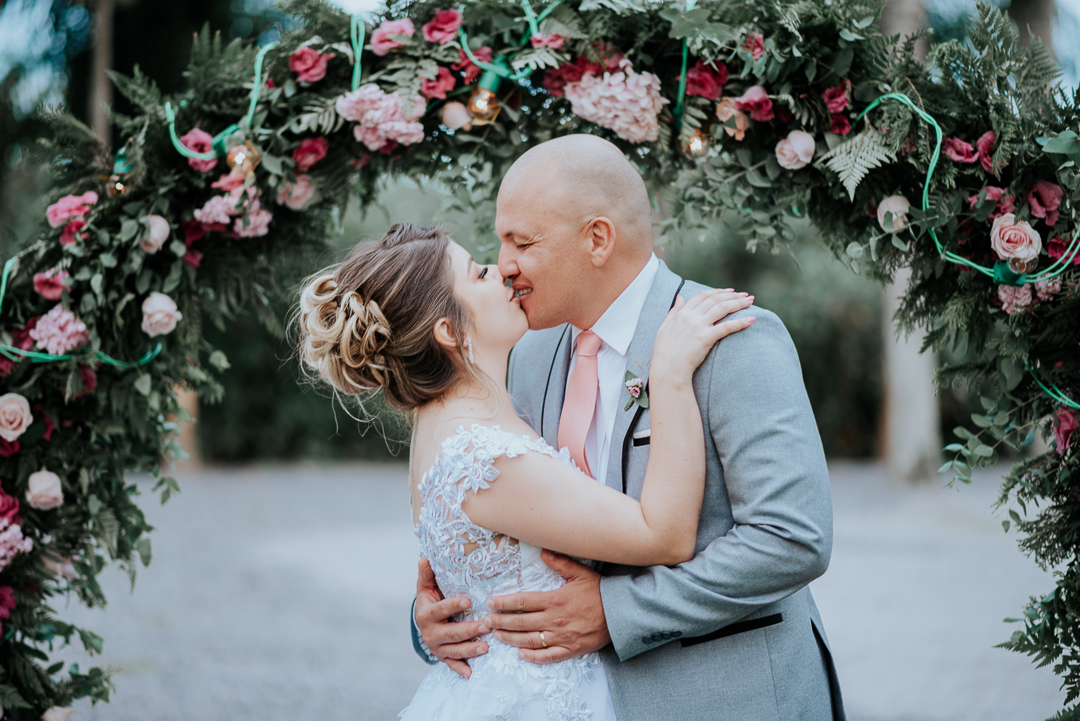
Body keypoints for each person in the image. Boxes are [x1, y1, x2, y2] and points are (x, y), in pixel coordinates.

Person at [412, 134, 846, 721]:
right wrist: (443, 617)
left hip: (730, 699)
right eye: (500, 241)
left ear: (597, 238)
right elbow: (510, 518)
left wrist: (616, 613)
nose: (505, 263)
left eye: (522, 242)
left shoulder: (732, 339)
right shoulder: (530, 352)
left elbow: (792, 539)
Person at [294, 222, 756, 719]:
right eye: (478, 274)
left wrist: (431, 614)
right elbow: (664, 536)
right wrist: (670, 374)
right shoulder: (482, 457)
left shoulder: (445, 428)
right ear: (449, 331)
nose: (500, 270)